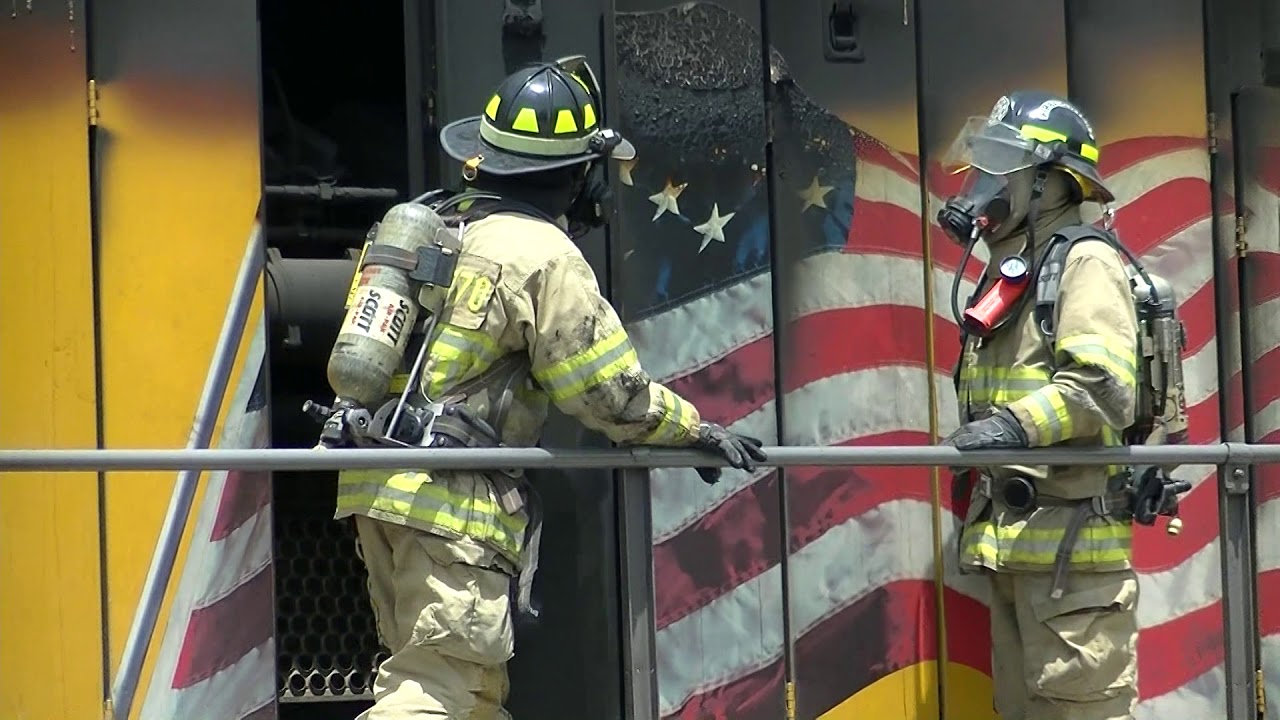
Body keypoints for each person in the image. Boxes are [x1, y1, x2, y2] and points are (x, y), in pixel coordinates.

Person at [334, 56, 766, 720]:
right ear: (575, 173)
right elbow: (605, 393)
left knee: (473, 694)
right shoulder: (541, 254)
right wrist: (694, 429)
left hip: (378, 487)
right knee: (434, 691)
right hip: (454, 506)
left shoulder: (435, 227)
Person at [935, 91, 1142, 720]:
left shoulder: (1084, 261)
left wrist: (1007, 428)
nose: (983, 183)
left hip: (1073, 566)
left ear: (1051, 183)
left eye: (1002, 165)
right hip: (1019, 553)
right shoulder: (1014, 271)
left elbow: (1103, 388)